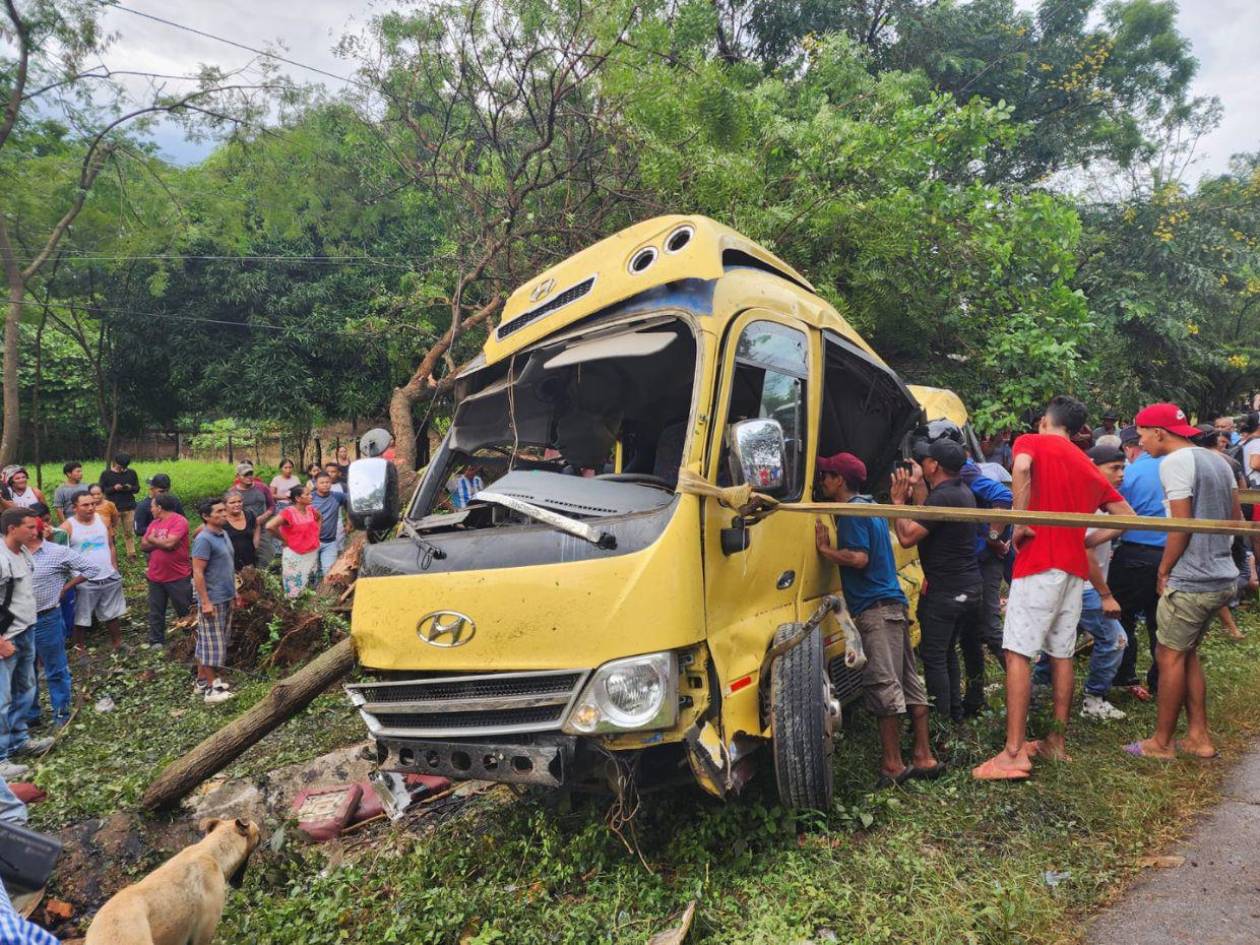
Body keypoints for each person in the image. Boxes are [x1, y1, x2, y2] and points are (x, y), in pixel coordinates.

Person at [973, 396, 1132, 781]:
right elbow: (1126, 516)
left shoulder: (1033, 441)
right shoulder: (1085, 462)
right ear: (1077, 428)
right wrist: (1086, 542)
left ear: (1045, 421)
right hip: (1073, 572)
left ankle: (1013, 754)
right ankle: (1055, 744)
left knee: (1018, 653)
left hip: (1038, 565)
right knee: (1062, 653)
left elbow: (1022, 467)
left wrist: (1021, 520)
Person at [814, 452, 941, 786]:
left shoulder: (853, 511)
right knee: (909, 681)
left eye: (826, 474)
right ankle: (923, 756)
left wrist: (826, 552)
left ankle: (892, 764)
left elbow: (858, 558)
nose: (823, 480)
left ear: (840, 480)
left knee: (883, 684)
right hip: (895, 605)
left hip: (875, 609)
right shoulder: (871, 506)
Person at [1125, 403, 1242, 760]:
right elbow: (1235, 519)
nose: (1141, 441)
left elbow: (1181, 525)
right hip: (1222, 574)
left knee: (1168, 655)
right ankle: (1198, 737)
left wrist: (1164, 569)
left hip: (1191, 578)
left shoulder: (1174, 463)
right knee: (1186, 653)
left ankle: (1161, 743)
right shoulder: (1217, 460)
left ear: (1159, 432)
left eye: (1142, 433)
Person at [1032, 444, 1131, 720]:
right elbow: (1085, 551)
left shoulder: (1098, 499)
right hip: (1086, 586)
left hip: (1068, 582)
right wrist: (1105, 595)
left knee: (1058, 638)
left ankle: (1037, 693)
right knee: (1115, 640)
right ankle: (1094, 699)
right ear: (1092, 466)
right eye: (1114, 468)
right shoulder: (1091, 502)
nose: (1120, 474)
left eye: (1123, 467)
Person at [890, 439, 985, 724]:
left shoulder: (944, 498)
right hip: (967, 586)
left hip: (947, 591)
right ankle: (954, 715)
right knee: (946, 653)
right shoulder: (958, 491)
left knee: (933, 656)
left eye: (926, 461)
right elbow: (927, 516)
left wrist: (897, 503)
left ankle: (941, 726)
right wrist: (918, 485)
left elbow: (907, 537)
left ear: (935, 465)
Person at [23, 515, 105, 730]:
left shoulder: (56, 552)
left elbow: (91, 569)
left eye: (31, 527)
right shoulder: (12, 555)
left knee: (55, 667)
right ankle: (31, 715)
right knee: (25, 668)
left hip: (46, 618)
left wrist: (66, 587)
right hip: (18, 621)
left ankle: (61, 713)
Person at [1111, 423, 1168, 699]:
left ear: (1130, 448)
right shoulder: (1175, 469)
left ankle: (1125, 674)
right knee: (1163, 624)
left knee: (1122, 616)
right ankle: (1162, 682)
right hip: (1172, 556)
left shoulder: (1130, 474)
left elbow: (1115, 514)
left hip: (1135, 553)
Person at [0, 509, 54, 781]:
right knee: (2, 698)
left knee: (25, 689)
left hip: (26, 629)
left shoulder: (22, 553)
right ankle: (1, 758)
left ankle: (18, 740)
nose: (36, 532)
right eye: (30, 527)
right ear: (12, 528)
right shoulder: (0, 557)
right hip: (6, 637)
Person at [62, 490, 126, 651]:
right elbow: (61, 554)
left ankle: (118, 643)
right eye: (85, 505)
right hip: (84, 580)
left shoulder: (102, 520)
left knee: (112, 613)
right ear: (75, 507)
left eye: (93, 504)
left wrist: (114, 567)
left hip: (108, 575)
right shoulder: (67, 527)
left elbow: (110, 545)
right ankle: (80, 648)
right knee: (81, 617)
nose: (90, 508)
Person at [190, 499, 238, 704]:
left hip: (226, 595)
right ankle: (212, 689)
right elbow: (198, 573)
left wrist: (234, 592)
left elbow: (228, 565)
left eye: (224, 510)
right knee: (212, 645)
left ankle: (201, 681)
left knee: (209, 642)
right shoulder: (204, 539)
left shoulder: (223, 534)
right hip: (213, 599)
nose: (224, 513)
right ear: (206, 517)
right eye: (218, 511)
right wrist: (206, 602)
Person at [140, 493, 192, 648]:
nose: (151, 510)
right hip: (156, 575)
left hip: (177, 575)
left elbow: (170, 544)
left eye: (152, 506)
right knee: (156, 610)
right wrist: (160, 542)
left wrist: (153, 540)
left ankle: (191, 638)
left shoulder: (179, 521)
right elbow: (143, 546)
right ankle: (156, 640)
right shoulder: (154, 523)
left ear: (160, 507)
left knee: (185, 609)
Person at [267, 486, 321, 598]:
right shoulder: (288, 512)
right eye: (307, 494)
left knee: (309, 584)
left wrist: (316, 535)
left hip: (311, 552)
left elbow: (320, 518)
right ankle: (294, 610)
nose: (311, 496)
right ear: (297, 498)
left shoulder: (310, 510)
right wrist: (284, 539)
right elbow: (270, 526)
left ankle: (308, 608)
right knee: (293, 586)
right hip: (294, 554)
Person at [232, 463, 275, 566]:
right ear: (238, 476)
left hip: (264, 528)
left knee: (265, 557)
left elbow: (272, 506)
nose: (249, 477)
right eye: (245, 475)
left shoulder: (262, 487)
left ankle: (265, 577)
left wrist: (263, 517)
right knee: (247, 559)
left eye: (251, 474)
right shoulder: (233, 492)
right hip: (244, 530)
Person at [99, 453, 140, 558]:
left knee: (129, 532)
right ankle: (111, 554)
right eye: (121, 467)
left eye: (125, 467)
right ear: (116, 463)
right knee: (112, 533)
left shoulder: (132, 473)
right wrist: (114, 488)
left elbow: (137, 488)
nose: (123, 469)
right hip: (113, 508)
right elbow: (102, 490)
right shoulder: (106, 474)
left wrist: (130, 487)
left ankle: (132, 554)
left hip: (129, 507)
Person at [310, 473, 349, 579]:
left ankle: (325, 594)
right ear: (316, 484)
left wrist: (350, 522)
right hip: (311, 542)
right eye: (322, 483)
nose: (325, 485)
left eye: (327, 482)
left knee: (329, 572)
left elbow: (351, 503)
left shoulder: (337, 496)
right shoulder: (310, 498)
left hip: (330, 542)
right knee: (311, 573)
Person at [222, 490, 260, 571]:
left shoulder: (249, 514)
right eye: (232, 502)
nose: (237, 504)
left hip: (249, 558)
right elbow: (200, 533)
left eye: (239, 501)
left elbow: (257, 526)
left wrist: (256, 543)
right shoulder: (220, 519)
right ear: (224, 505)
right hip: (229, 563)